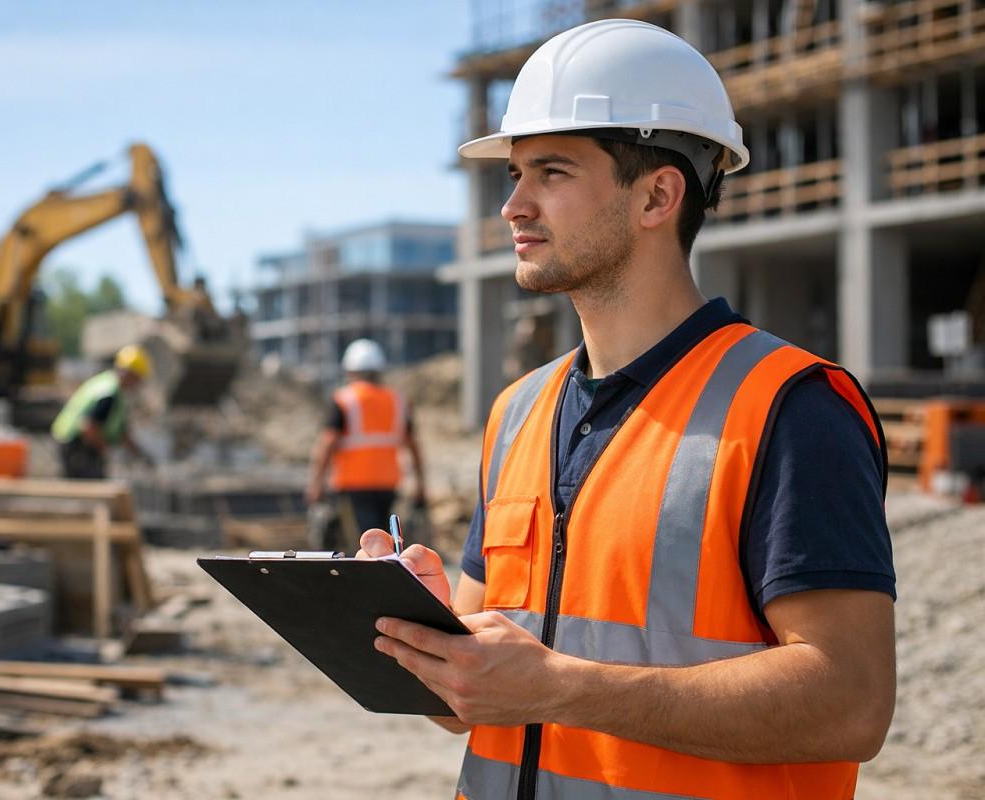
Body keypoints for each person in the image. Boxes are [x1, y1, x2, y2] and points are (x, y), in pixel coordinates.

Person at [359, 20, 896, 800]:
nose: (512, 206)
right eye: (514, 174)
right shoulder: (518, 412)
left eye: (551, 172)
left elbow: (851, 703)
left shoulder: (789, 408)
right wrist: (422, 625)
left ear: (657, 196)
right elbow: (470, 703)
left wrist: (562, 687)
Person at [306, 338, 427, 551]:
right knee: (384, 543)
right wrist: (420, 485)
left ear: (350, 370)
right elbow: (414, 446)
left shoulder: (344, 399)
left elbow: (327, 444)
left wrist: (316, 484)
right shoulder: (397, 400)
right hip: (388, 484)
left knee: (364, 545)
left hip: (353, 486)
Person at [52, 344, 154, 479]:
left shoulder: (115, 391)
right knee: (91, 484)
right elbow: (88, 427)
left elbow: (121, 433)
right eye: (137, 379)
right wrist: (106, 450)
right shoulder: (108, 393)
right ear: (130, 374)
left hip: (82, 445)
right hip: (76, 445)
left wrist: (139, 453)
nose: (137, 384)